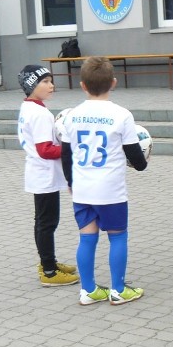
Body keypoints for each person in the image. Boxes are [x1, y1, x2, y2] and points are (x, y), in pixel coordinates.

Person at [60, 57, 148, 305]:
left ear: (83, 86)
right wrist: (143, 162)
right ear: (113, 83)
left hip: (82, 189)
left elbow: (66, 154)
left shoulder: (71, 115)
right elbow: (136, 159)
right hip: (111, 190)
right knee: (117, 236)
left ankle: (88, 290)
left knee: (87, 238)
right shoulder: (122, 115)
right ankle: (118, 289)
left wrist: (70, 181)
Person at [17, 65, 79, 287]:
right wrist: (69, 148)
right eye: (44, 81)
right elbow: (45, 150)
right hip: (44, 176)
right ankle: (50, 272)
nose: (51, 85)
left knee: (43, 222)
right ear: (31, 86)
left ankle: (48, 262)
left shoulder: (29, 108)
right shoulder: (40, 114)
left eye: (51, 80)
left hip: (39, 174)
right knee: (47, 223)